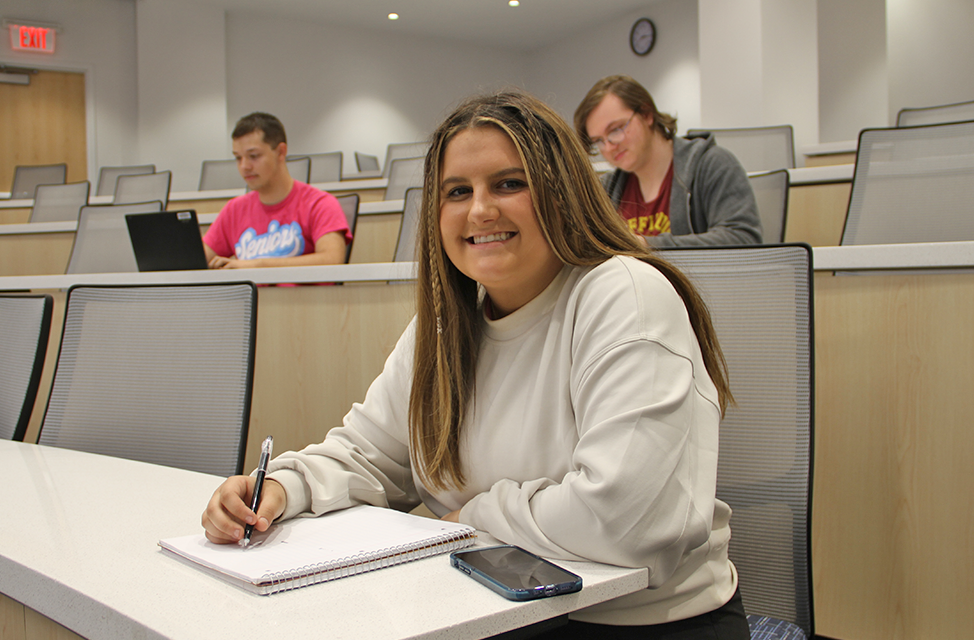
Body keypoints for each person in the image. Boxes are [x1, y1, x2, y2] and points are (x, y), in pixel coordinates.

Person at [202, 91, 749, 638]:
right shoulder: (444, 324)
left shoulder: (623, 294)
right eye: (457, 192)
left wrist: (474, 519)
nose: (480, 209)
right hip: (490, 609)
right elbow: (369, 454)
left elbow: (626, 520)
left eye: (509, 184)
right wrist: (280, 488)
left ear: (563, 192)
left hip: (638, 623)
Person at [574, 75, 763, 247]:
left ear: (646, 114)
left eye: (616, 129)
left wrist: (646, 245)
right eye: (598, 140)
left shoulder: (711, 164)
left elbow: (742, 239)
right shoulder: (608, 189)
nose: (608, 147)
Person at [202, 112, 351, 269]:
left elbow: (332, 259)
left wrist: (258, 265)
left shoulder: (319, 204)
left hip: (301, 294)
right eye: (238, 158)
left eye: (254, 156)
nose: (244, 166)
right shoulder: (234, 210)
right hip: (252, 294)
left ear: (281, 152)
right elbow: (195, 261)